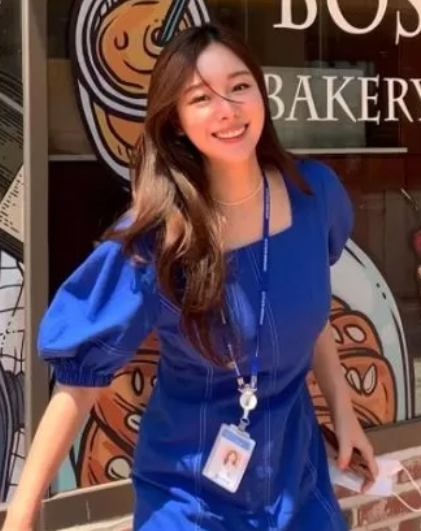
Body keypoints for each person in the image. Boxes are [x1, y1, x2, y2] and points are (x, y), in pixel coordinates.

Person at [3, 23, 378, 531]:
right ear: (176, 122)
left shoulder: (314, 195)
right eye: (201, 98)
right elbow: (80, 383)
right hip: (188, 498)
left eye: (239, 86)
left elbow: (312, 320)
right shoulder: (156, 240)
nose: (227, 109)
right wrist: (22, 514)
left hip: (297, 484)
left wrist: (344, 412)